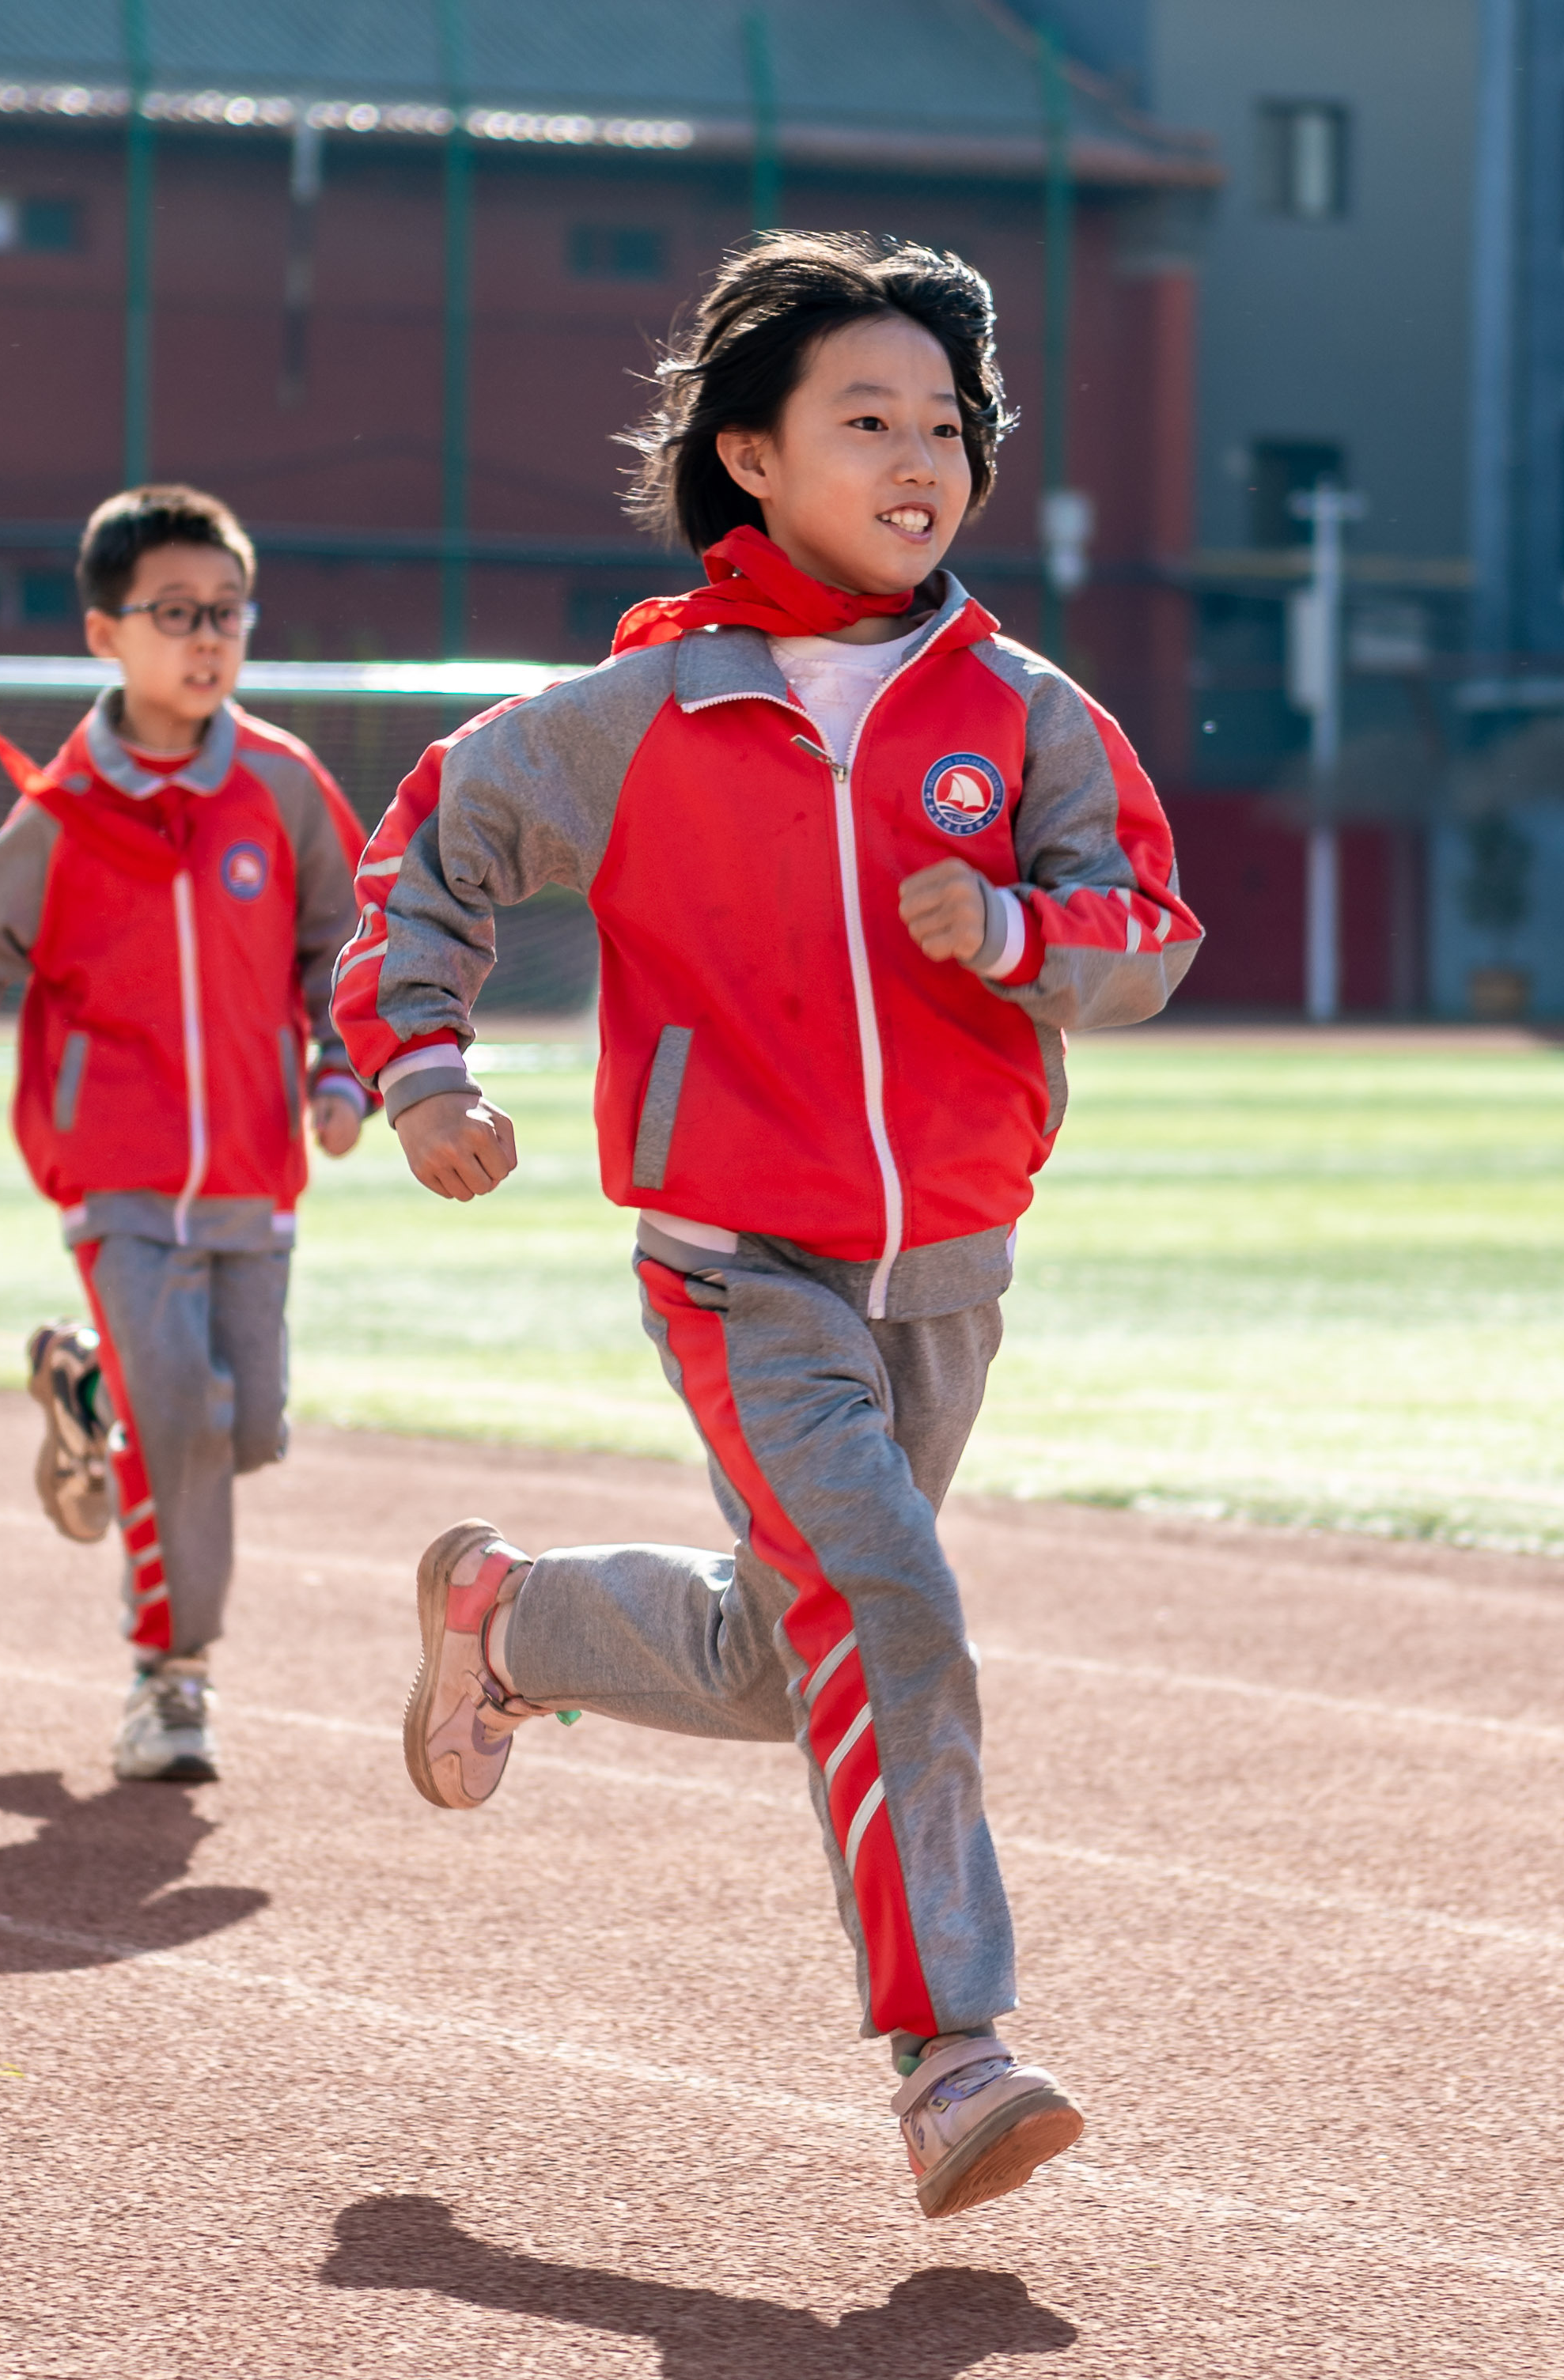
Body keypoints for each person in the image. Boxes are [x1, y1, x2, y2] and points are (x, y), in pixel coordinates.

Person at [329, 233, 1200, 2219]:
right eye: (865, 420)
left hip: (950, 1269)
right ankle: (950, 2053)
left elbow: (1149, 934)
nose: (920, 458)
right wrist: (424, 1071)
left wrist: (1023, 932)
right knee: (891, 1605)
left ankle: (510, 1618)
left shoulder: (1025, 714)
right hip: (740, 1260)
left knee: (789, 1642)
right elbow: (429, 853)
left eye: (947, 427)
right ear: (747, 455)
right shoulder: (643, 714)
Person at [0, 482, 371, 1784]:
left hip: (256, 1173)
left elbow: (347, 949)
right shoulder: (66, 812)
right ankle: (170, 1681)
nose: (207, 639)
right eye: (175, 614)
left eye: (227, 613)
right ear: (106, 635)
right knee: (183, 1423)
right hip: (117, 1178)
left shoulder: (282, 787)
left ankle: (84, 1387)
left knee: (248, 1428)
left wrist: (342, 1069)